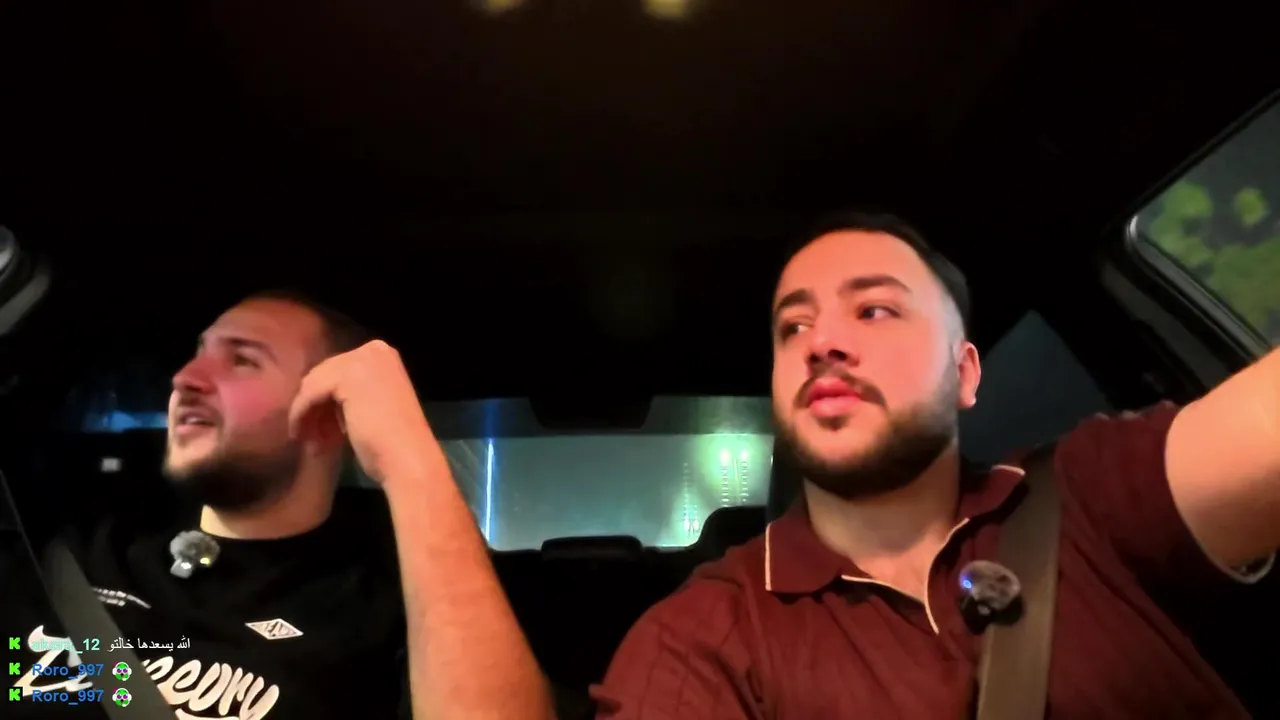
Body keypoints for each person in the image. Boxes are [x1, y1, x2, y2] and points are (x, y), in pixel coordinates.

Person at [591, 211, 1280, 718]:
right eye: (792, 327)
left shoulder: (1091, 495)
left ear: (965, 374)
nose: (820, 342)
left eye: (874, 309)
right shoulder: (704, 637)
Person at [6, 289, 555, 719]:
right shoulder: (71, 549)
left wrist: (408, 456)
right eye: (198, 354)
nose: (185, 378)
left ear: (330, 414)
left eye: (243, 361)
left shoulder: (389, 601)